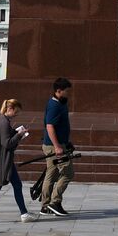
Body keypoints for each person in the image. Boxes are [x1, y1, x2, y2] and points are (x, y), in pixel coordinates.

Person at [0, 99, 38, 224]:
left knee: (17, 185)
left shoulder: (3, 120)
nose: (16, 115)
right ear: (9, 109)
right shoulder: (3, 122)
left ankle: (24, 213)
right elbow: (7, 143)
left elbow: (7, 137)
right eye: (15, 112)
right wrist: (19, 135)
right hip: (3, 161)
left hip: (6, 160)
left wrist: (17, 132)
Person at [39, 78, 75, 217]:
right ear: (58, 91)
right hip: (54, 147)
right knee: (68, 173)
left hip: (58, 144)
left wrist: (66, 142)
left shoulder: (61, 103)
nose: (68, 94)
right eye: (67, 91)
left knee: (51, 174)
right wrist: (57, 146)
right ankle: (55, 202)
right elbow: (50, 126)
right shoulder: (54, 106)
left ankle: (45, 206)